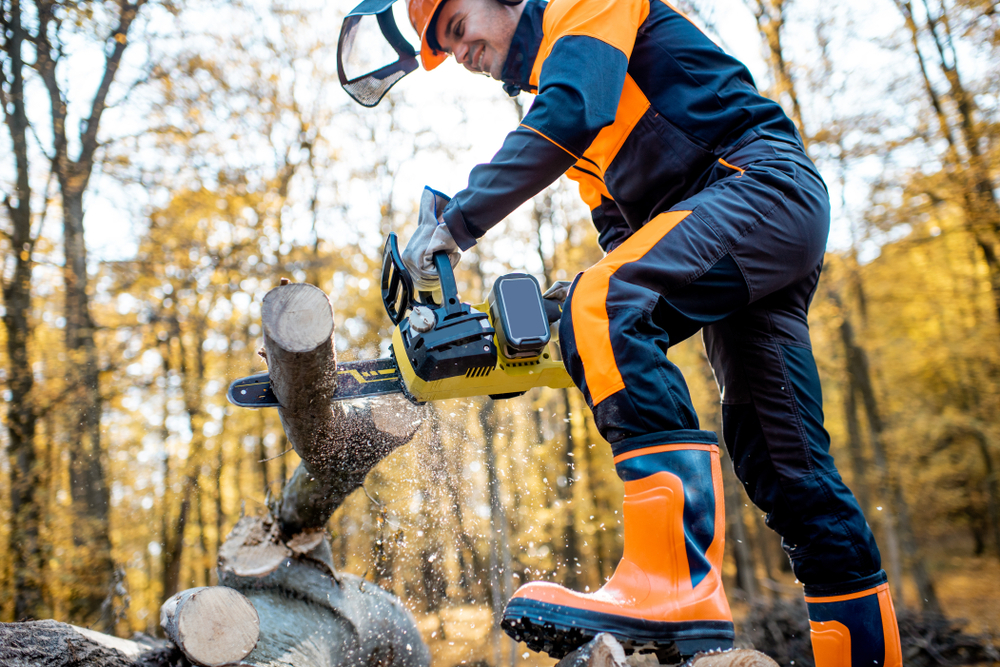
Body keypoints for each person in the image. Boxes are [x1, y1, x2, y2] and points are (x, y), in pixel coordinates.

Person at [354, 0, 904, 662]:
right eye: (446, 47)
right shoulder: (573, 115)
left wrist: (459, 220)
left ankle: (673, 582)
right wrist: (565, 319)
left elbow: (572, 111)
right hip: (742, 229)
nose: (462, 52)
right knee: (788, 470)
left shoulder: (582, 13)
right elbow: (623, 238)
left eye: (458, 27)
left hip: (760, 184)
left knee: (602, 304)